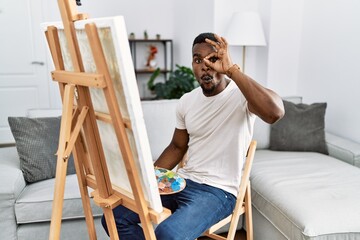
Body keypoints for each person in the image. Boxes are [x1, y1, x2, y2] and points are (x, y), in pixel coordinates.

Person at [102, 32, 285, 240]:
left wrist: (233, 70)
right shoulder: (187, 101)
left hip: (218, 192)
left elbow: (275, 113)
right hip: (183, 181)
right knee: (114, 216)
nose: (205, 66)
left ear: (223, 61)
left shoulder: (242, 96)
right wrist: (148, 179)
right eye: (198, 60)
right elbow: (177, 147)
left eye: (213, 59)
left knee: (167, 233)